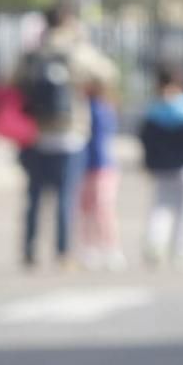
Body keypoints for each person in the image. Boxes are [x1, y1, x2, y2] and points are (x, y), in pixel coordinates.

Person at [15, 3, 116, 270]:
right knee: (65, 196)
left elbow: (13, 80)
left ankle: (29, 250)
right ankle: (62, 253)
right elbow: (106, 74)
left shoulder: (34, 52)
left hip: (35, 133)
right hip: (69, 132)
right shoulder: (76, 51)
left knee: (34, 196)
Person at [140, 65, 183, 270]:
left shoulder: (153, 111)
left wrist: (149, 162)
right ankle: (182, 254)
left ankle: (156, 245)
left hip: (161, 167)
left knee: (160, 208)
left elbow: (146, 140)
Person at [76, 70, 125, 271]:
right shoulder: (100, 108)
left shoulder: (97, 109)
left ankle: (108, 247)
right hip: (91, 165)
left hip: (100, 165)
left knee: (101, 210)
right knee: (90, 210)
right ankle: (91, 247)